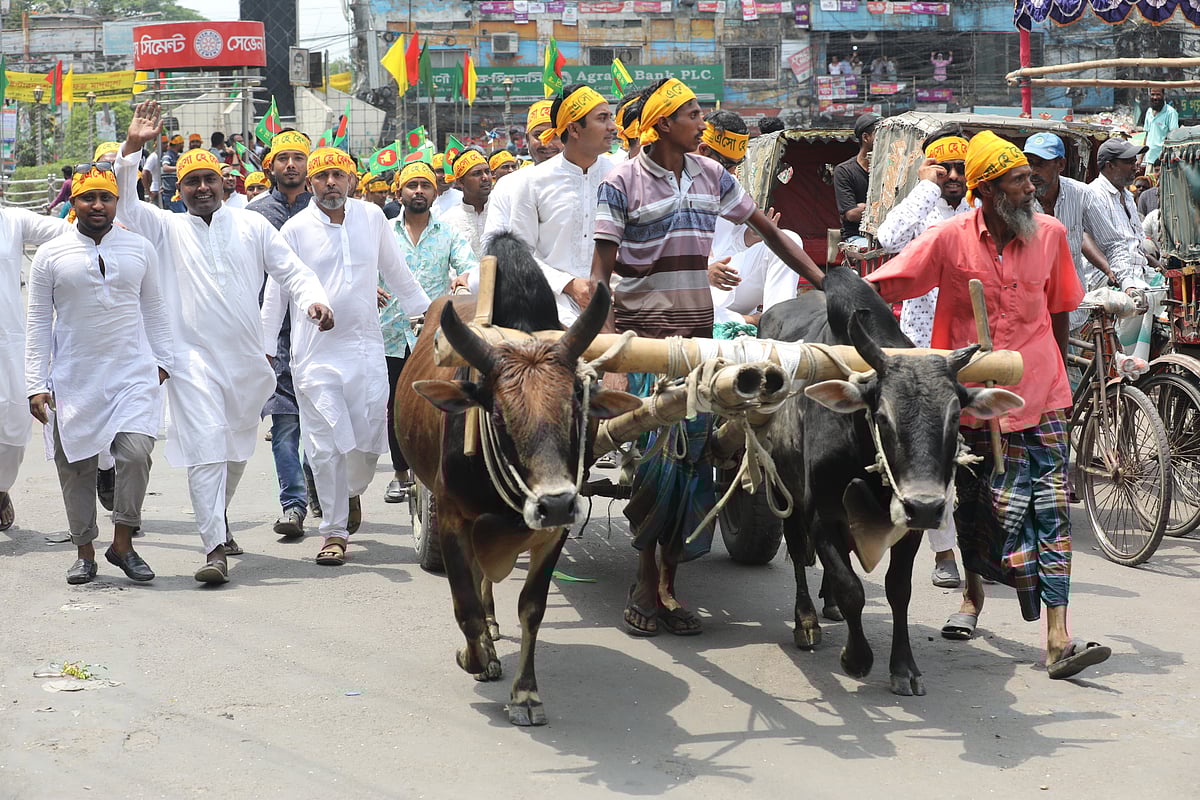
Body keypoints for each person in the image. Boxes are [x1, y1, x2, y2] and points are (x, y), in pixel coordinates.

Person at [866, 131, 1112, 681]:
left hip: (1041, 396)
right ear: (988, 192)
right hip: (971, 403)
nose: (1034, 187)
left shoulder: (1050, 234)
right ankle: (972, 600)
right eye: (1020, 180)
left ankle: (1058, 637)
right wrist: (830, 290)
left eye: (1032, 177)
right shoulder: (949, 239)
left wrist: (1058, 376)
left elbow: (1060, 311)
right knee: (977, 512)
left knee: (1051, 515)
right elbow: (888, 283)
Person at [592, 78, 826, 637]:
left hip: (699, 340)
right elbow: (601, 271)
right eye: (693, 113)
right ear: (664, 123)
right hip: (644, 337)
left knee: (692, 462)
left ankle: (668, 583)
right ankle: (645, 581)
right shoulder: (620, 180)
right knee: (653, 460)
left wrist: (826, 281)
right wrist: (607, 349)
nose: (703, 121)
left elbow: (768, 232)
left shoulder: (713, 175)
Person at [115, 100, 334, 584]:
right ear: (179, 190)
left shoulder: (252, 224)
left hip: (247, 362)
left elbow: (292, 270)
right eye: (191, 182)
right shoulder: (164, 227)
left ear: (225, 183)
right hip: (189, 360)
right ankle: (213, 547)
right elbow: (127, 203)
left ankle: (219, 518)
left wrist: (313, 299)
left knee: (235, 449)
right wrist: (132, 147)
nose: (201, 188)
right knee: (207, 448)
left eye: (209, 179)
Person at [267, 147, 430, 565]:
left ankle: (351, 491)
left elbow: (396, 271)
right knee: (324, 446)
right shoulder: (296, 230)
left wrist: (426, 315)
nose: (330, 183)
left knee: (365, 438)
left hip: (364, 349)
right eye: (321, 177)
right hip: (315, 355)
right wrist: (266, 351)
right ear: (309, 184)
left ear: (353, 180)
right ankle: (334, 532)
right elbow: (277, 294)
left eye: (338, 175)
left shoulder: (372, 218)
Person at [25, 164, 174, 585]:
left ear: (116, 201)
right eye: (88, 197)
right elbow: (37, 322)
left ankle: (122, 542)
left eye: (105, 197)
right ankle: (85, 551)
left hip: (131, 373)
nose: (97, 205)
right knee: (76, 467)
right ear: (73, 202)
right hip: (74, 377)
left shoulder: (140, 248)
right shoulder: (51, 255)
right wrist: (35, 384)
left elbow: (156, 309)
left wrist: (163, 361)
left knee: (134, 453)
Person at [875, 127, 973, 586]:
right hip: (918, 347)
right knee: (929, 453)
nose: (954, 176)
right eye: (946, 168)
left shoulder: (980, 211)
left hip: (968, 346)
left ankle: (974, 547)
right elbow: (888, 236)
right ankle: (943, 553)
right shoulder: (922, 206)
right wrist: (925, 185)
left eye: (961, 168)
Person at [479, 84, 618, 325]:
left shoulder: (620, 177)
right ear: (574, 129)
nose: (613, 128)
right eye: (603, 119)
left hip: (615, 304)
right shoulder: (531, 182)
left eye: (611, 118)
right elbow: (521, 254)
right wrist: (569, 285)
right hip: (550, 307)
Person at [380, 161, 477, 503]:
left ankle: (434, 468)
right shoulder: (384, 231)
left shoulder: (448, 233)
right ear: (399, 193)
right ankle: (400, 474)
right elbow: (361, 266)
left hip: (432, 334)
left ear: (435, 193)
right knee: (394, 406)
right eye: (412, 186)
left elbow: (469, 265)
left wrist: (465, 279)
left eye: (425, 185)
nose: (418, 191)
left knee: (438, 404)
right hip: (389, 333)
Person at [247, 129, 323, 538]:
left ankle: (320, 484)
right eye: (283, 158)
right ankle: (292, 505)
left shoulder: (327, 209)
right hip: (273, 335)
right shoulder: (254, 215)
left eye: (298, 157)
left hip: (319, 332)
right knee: (286, 425)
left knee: (322, 421)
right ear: (270, 166)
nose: (290, 164)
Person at [0, 199, 68, 534]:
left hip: (7, 342)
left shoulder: (11, 221)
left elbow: (65, 229)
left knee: (13, 430)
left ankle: (0, 490)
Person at [700, 110, 802, 327]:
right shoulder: (670, 184)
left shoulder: (729, 184)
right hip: (694, 291)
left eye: (737, 165)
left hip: (730, 282)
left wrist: (748, 238)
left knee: (788, 239)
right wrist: (703, 272)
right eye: (728, 165)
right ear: (704, 151)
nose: (733, 173)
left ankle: (776, 327)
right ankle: (748, 321)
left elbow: (730, 244)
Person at [1088, 138, 1159, 359]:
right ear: (1109, 165)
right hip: (1108, 276)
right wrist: (1120, 276)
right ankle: (1128, 363)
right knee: (1141, 300)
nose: (1136, 166)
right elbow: (1105, 246)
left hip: (1137, 271)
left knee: (1173, 295)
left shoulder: (1127, 196)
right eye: (1128, 161)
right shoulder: (1094, 195)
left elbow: (1135, 242)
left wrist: (1155, 263)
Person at [481, 101, 565, 239]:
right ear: (527, 138)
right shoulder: (507, 185)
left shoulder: (587, 178)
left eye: (554, 135)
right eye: (538, 135)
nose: (547, 143)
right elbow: (492, 240)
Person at [833, 113, 879, 248]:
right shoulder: (845, 171)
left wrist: (864, 207)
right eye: (880, 135)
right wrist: (882, 210)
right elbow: (851, 214)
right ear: (866, 137)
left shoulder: (890, 168)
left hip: (886, 233)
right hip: (857, 236)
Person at [439, 148, 492, 259]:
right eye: (477, 174)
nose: (485, 177)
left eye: (487, 171)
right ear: (460, 182)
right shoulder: (447, 222)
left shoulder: (503, 211)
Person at [1143, 89, 1179, 167]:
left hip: (1163, 161)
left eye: (1158, 94)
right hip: (1149, 159)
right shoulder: (1149, 112)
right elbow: (1146, 136)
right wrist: (1140, 158)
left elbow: (1174, 137)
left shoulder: (1171, 113)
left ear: (1163, 95)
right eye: (1152, 94)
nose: (1155, 97)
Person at [429, 153, 462, 218]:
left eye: (448, 171)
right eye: (440, 171)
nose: (445, 175)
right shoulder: (424, 198)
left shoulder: (461, 198)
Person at [161, 134, 184, 211]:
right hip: (170, 194)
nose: (183, 146)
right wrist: (180, 168)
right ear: (178, 144)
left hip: (175, 193)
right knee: (182, 215)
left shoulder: (176, 156)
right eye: (182, 144)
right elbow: (165, 168)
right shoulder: (168, 155)